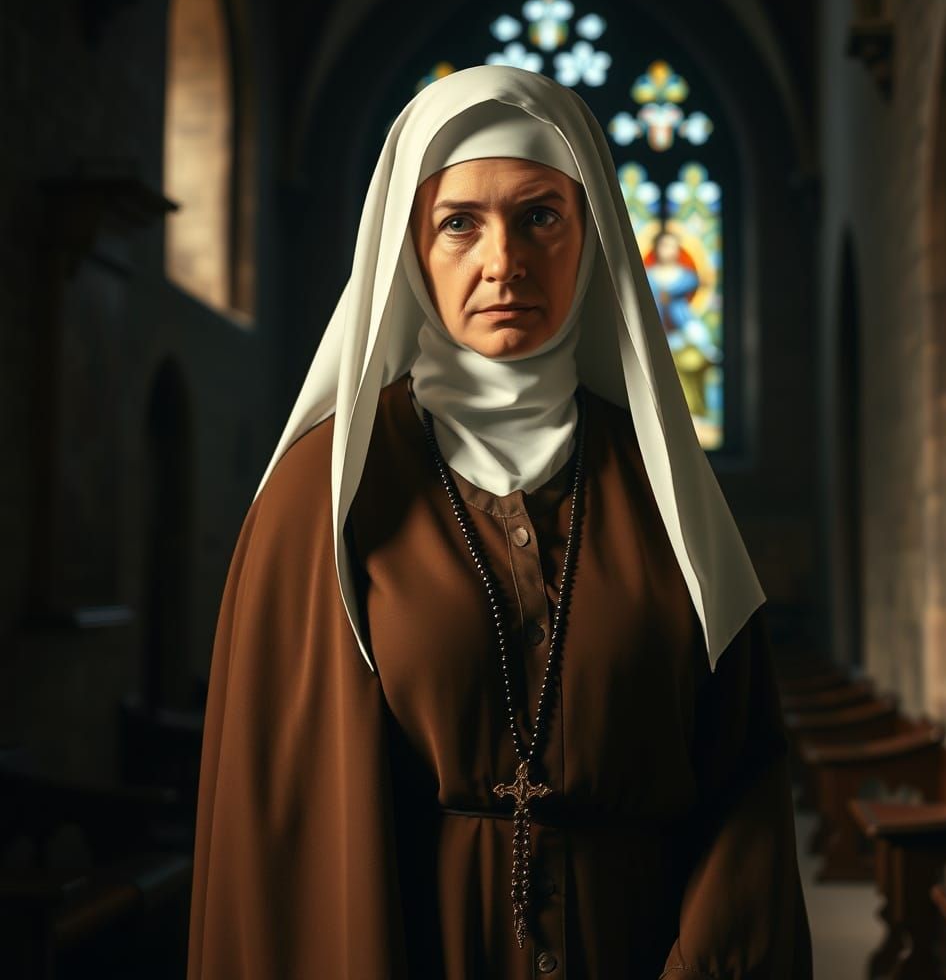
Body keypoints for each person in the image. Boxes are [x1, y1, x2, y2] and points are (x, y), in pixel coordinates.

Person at [186, 64, 813, 979]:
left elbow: (744, 769)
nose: (503, 261)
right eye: (458, 224)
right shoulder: (324, 495)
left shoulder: (662, 481)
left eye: (540, 217)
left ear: (591, 235)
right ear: (410, 249)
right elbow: (280, 828)